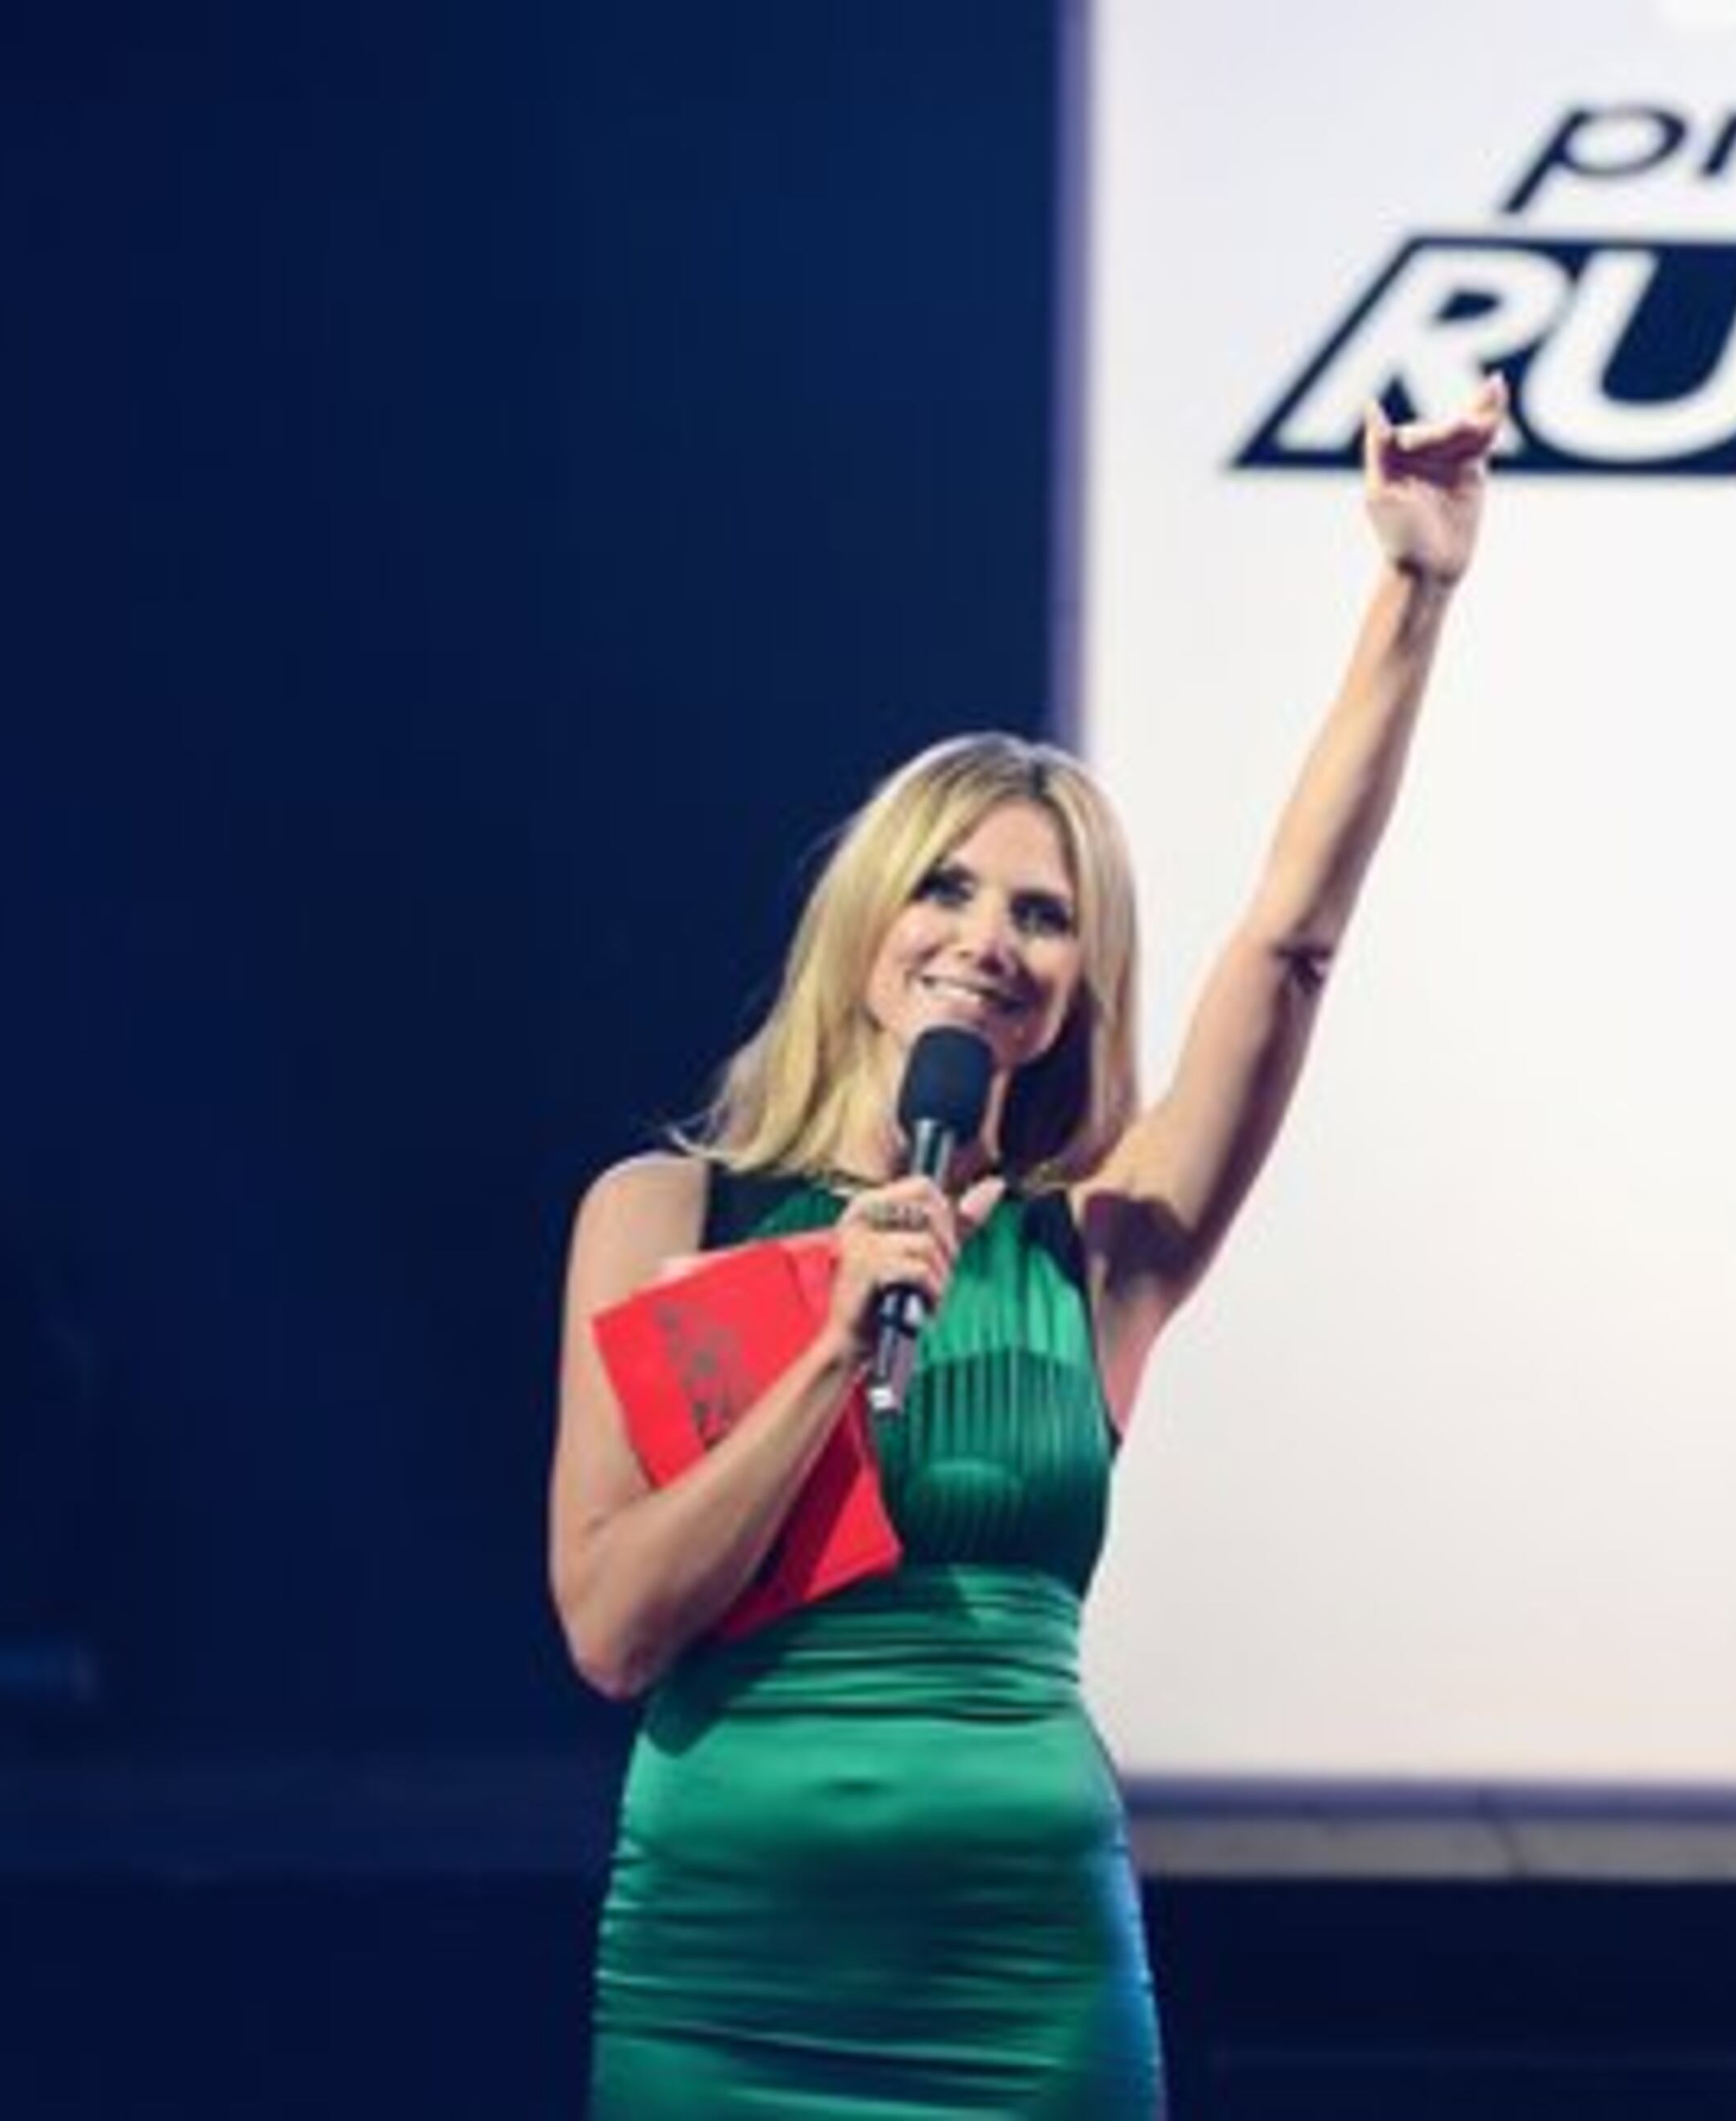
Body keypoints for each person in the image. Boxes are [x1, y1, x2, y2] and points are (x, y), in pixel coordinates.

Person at [547, 377, 1505, 2115]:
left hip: (1019, 1992)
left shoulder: (1102, 1249)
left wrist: (1415, 591)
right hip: (722, 1987)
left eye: (1044, 915)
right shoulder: (662, 1215)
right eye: (951, 890)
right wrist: (833, 1346)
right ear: (867, 920)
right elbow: (613, 1627)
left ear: (1075, 986)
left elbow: (1289, 942)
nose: (987, 940)